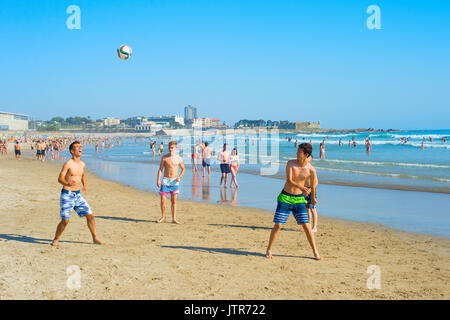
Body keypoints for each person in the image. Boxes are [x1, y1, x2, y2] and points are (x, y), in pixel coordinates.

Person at [266, 143, 321, 260]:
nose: (296, 154)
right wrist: (302, 188)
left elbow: (314, 183)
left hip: (299, 199)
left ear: (306, 154)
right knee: (278, 225)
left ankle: (315, 252)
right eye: (297, 151)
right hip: (285, 197)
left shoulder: (311, 169)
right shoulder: (291, 163)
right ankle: (269, 249)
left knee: (307, 226)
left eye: (299, 152)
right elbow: (289, 180)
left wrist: (312, 196)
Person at [51, 141, 105, 247]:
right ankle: (56, 239)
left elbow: (83, 175)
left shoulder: (82, 164)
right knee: (65, 220)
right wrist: (67, 182)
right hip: (67, 194)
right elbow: (60, 178)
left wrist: (84, 185)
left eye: (80, 146)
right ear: (72, 151)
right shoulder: (68, 164)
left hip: (78, 195)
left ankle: (95, 238)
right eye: (77, 147)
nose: (80, 148)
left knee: (90, 215)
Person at [156, 141, 185, 224]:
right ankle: (163, 217)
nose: (170, 149)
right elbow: (160, 169)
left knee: (174, 201)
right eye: (169, 147)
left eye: (172, 148)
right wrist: (158, 180)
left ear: (176, 148)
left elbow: (183, 168)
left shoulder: (179, 158)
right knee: (163, 200)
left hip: (174, 181)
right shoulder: (164, 158)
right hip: (165, 180)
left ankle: (174, 218)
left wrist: (180, 177)